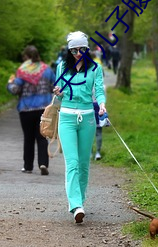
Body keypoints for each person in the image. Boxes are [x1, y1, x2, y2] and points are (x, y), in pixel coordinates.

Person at [53, 31, 106, 223]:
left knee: (84, 164)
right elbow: (59, 94)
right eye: (74, 50)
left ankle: (80, 201)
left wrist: (101, 104)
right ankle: (75, 205)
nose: (77, 53)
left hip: (88, 119)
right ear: (69, 50)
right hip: (66, 117)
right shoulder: (62, 68)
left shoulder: (95, 69)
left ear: (87, 49)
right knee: (72, 163)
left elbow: (99, 90)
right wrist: (58, 92)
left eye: (81, 49)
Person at [7, 45, 55, 175]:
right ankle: (43, 163)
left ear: (26, 57)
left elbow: (15, 90)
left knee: (28, 138)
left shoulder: (22, 71)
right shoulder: (47, 70)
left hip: (26, 109)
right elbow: (54, 87)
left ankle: (28, 167)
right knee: (42, 136)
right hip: (43, 109)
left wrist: (10, 83)